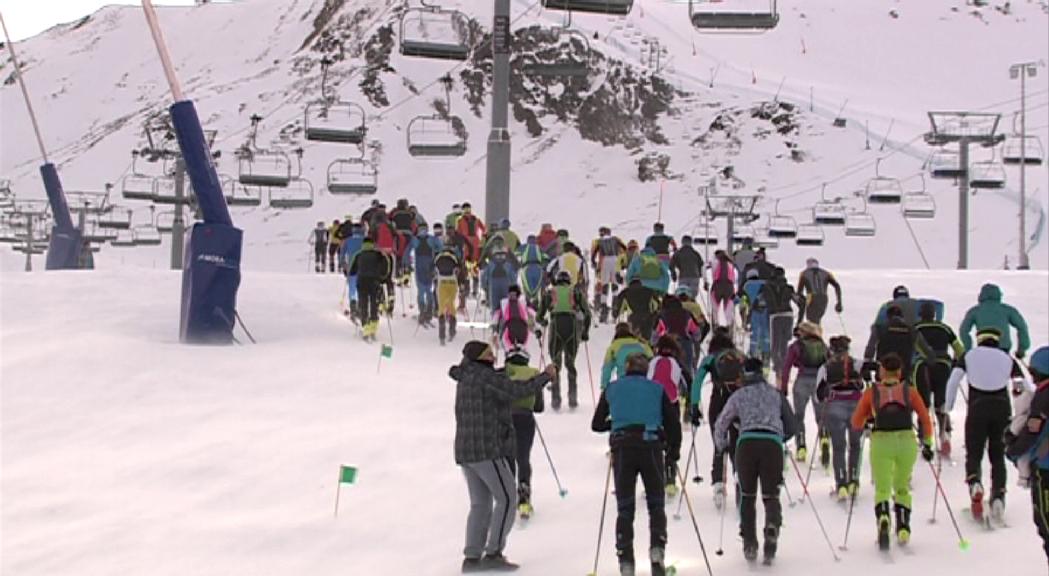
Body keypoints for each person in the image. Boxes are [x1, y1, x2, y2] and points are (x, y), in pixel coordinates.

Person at [450, 341, 555, 573]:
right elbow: (516, 391)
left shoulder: (468, 376)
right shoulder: (485, 377)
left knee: (480, 503)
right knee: (507, 498)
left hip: (466, 451)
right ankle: (493, 552)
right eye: (488, 354)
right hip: (486, 448)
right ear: (478, 357)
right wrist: (544, 377)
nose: (493, 357)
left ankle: (472, 557)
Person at [592, 353, 682, 576]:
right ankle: (657, 550)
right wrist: (673, 451)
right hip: (651, 446)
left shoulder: (612, 388)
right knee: (656, 504)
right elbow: (673, 423)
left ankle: (626, 561)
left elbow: (596, 424)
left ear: (626, 369)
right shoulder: (657, 388)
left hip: (622, 448)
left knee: (625, 507)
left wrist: (615, 424)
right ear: (645, 370)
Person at [714, 357, 796, 564]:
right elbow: (792, 425)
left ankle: (749, 542)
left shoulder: (738, 396)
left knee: (747, 495)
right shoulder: (775, 395)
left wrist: (722, 444)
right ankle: (772, 526)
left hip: (747, 443)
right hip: (772, 445)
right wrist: (780, 437)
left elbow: (721, 422)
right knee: (771, 495)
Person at [850, 354, 935, 550]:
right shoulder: (910, 391)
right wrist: (928, 443)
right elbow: (924, 417)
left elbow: (856, 422)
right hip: (906, 441)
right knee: (902, 485)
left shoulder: (872, 392)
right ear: (899, 372)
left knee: (882, 487)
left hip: (881, 441)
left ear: (881, 372)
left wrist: (867, 421)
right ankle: (903, 526)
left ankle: (883, 518)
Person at [946, 327, 1024, 524]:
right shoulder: (1007, 358)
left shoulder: (968, 356)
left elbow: (954, 380)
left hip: (977, 408)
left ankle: (975, 483)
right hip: (1002, 409)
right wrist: (1018, 400)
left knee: (974, 452)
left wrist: (948, 407)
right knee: (997, 456)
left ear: (979, 340)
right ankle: (998, 497)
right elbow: (1020, 383)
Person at [691, 329, 745, 509]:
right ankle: (741, 479)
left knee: (719, 441)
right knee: (738, 441)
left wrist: (694, 406)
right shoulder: (740, 356)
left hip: (718, 402)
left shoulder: (711, 358)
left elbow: (697, 381)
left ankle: (719, 485)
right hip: (738, 402)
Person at [1005, 346, 1049, 562]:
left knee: (1045, 523)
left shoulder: (1043, 396)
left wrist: (1013, 449)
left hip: (1045, 468)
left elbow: (1034, 429)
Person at [815, 335, 865, 500]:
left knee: (838, 447)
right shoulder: (856, 364)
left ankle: (841, 483)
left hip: (835, 406)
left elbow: (819, 394)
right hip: (856, 406)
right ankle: (854, 481)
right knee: (855, 445)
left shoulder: (825, 367)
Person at [913, 301, 966, 456]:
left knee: (923, 404)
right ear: (934, 314)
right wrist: (956, 363)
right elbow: (959, 349)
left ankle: (925, 438)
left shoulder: (915, 328)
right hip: (943, 365)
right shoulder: (945, 328)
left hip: (922, 366)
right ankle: (945, 435)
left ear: (920, 314)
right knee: (941, 402)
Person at [536, 271, 591, 410]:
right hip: (572, 326)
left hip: (556, 325)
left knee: (556, 363)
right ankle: (572, 399)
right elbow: (587, 313)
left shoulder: (549, 293)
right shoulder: (576, 292)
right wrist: (585, 332)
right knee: (570, 363)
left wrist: (543, 322)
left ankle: (556, 400)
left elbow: (539, 316)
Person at [780, 322, 829, 464]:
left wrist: (784, 387)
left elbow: (786, 366)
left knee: (799, 416)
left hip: (802, 381)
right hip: (819, 382)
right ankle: (824, 438)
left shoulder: (796, 346)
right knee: (820, 416)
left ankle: (801, 446)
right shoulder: (822, 345)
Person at [505, 347, 545, 520]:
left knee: (507, 458)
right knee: (523, 458)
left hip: (505, 419)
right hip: (525, 419)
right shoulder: (534, 373)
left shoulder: (503, 373)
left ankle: (506, 497)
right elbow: (539, 407)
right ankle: (524, 497)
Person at [648, 335, 690, 496]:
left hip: (652, 404)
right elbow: (687, 382)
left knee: (654, 439)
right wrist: (690, 406)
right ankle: (670, 479)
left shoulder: (652, 362)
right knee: (673, 439)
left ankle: (653, 480)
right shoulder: (676, 363)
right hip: (671, 404)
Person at [958, 283, 1031, 358]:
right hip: (1003, 349)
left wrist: (968, 348)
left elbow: (963, 330)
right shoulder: (1007, 310)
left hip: (983, 348)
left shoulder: (974, 311)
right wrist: (1022, 348)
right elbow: (1022, 327)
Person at [863, 304, 932, 382]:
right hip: (903, 372)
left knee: (881, 393)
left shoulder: (879, 328)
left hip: (883, 371)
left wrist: (867, 363)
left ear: (888, 317)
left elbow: (871, 347)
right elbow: (926, 352)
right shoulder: (912, 331)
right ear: (902, 317)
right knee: (903, 393)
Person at [760, 267, 804, 381]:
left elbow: (759, 303)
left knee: (775, 344)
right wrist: (799, 321)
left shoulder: (766, 287)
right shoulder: (789, 288)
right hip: (788, 316)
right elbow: (800, 302)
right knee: (784, 343)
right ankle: (784, 369)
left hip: (774, 316)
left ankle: (778, 370)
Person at [348, 237, 394, 341]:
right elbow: (385, 268)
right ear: (372, 244)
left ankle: (365, 328)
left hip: (362, 282)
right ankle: (373, 328)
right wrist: (383, 278)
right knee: (374, 304)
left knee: (363, 304)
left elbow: (352, 271)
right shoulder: (378, 254)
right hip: (375, 282)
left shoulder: (358, 254)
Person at [654, 293, 701, 375]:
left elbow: (654, 338)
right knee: (687, 373)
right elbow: (697, 333)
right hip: (685, 345)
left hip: (667, 346)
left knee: (666, 373)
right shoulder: (687, 314)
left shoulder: (661, 316)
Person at [600, 322, 654, 390]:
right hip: (642, 380)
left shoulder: (613, 347)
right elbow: (652, 360)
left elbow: (607, 367)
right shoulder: (642, 344)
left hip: (623, 381)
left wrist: (604, 385)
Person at [407, 225, 442, 326]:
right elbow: (441, 248)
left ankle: (422, 312)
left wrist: (407, 264)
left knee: (421, 290)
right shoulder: (432, 239)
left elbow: (407, 252)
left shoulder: (415, 240)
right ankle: (429, 312)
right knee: (429, 289)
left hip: (419, 267)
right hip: (429, 266)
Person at [591, 226, 627, 324]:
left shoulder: (600, 241)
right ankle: (615, 304)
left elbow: (594, 253)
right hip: (615, 259)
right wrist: (624, 261)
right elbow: (624, 248)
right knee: (615, 283)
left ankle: (603, 307)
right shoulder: (615, 239)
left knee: (605, 284)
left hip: (605, 261)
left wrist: (593, 263)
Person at [795, 257, 843, 326]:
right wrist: (839, 302)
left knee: (811, 320)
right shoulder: (826, 273)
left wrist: (800, 304)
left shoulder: (804, 274)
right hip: (823, 298)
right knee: (817, 319)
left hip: (811, 297)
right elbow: (837, 286)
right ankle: (817, 333)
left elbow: (799, 291)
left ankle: (814, 334)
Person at [456, 203, 486, 296]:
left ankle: (473, 289)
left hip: (473, 245)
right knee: (469, 267)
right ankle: (470, 289)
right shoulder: (461, 220)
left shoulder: (475, 219)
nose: (467, 211)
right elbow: (458, 233)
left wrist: (483, 239)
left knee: (473, 266)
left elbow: (484, 229)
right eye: (465, 209)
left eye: (468, 209)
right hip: (468, 245)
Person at [492, 285, 534, 352]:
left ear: (518, 295)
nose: (512, 296)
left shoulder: (523, 301)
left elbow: (533, 312)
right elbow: (496, 317)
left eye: (514, 294)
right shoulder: (503, 302)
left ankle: (522, 353)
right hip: (509, 326)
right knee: (508, 345)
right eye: (510, 294)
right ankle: (509, 352)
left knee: (523, 345)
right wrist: (495, 332)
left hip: (522, 326)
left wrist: (538, 323)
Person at [740, 269, 770, 362]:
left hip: (754, 313)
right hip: (766, 312)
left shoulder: (747, 286)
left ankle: (753, 354)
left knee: (754, 335)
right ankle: (766, 354)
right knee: (765, 334)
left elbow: (743, 303)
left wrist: (743, 320)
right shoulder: (765, 284)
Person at [435, 247, 462, 346]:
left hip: (441, 283)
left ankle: (441, 336)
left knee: (441, 308)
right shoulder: (455, 257)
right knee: (452, 307)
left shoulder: (438, 257)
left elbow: (432, 269)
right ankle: (452, 331)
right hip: (452, 283)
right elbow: (460, 270)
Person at [339, 223, 366, 316]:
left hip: (351, 267)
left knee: (352, 287)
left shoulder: (347, 240)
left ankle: (353, 306)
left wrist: (343, 265)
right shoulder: (365, 240)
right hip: (364, 267)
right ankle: (361, 306)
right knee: (362, 287)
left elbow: (342, 254)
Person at [482, 248, 519, 313]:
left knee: (495, 304)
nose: (500, 257)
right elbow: (513, 277)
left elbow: (484, 276)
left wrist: (484, 286)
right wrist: (513, 285)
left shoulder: (490, 264)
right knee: (505, 303)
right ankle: (504, 318)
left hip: (493, 285)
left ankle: (495, 318)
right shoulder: (508, 264)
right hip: (505, 285)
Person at [517, 235, 548, 310]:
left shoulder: (523, 247)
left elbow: (516, 254)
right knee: (538, 287)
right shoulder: (539, 247)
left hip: (526, 268)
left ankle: (527, 304)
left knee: (526, 286)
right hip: (538, 268)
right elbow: (546, 257)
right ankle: (536, 303)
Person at [709, 250, 737, 328]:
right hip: (729, 287)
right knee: (728, 308)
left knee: (715, 308)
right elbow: (734, 279)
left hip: (717, 286)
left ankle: (715, 325)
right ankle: (729, 326)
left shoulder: (715, 262)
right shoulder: (730, 264)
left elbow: (706, 268)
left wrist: (705, 281)